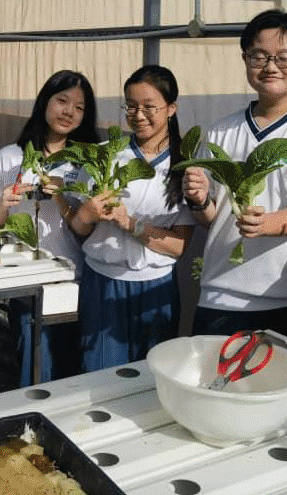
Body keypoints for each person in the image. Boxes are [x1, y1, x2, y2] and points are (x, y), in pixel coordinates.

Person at [182, 9, 287, 353]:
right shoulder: (220, 130)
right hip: (224, 296)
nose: (270, 66)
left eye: (283, 57)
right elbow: (213, 221)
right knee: (218, 400)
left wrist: (267, 223)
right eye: (259, 56)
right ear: (245, 59)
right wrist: (199, 200)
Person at [69, 65, 195, 371]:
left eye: (149, 107)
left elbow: (178, 247)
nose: (139, 115)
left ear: (171, 109)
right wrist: (86, 214)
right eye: (131, 106)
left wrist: (131, 224)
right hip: (102, 282)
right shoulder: (104, 156)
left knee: (152, 378)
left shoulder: (185, 166)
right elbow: (79, 230)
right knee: (99, 377)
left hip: (156, 288)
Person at [0, 70, 99, 384]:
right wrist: (5, 201)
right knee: (32, 365)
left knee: (71, 365)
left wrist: (62, 198)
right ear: (44, 102)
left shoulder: (87, 162)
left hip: (73, 276)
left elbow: (85, 230)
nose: (69, 112)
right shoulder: (11, 156)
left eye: (79, 108)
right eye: (62, 101)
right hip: (27, 280)